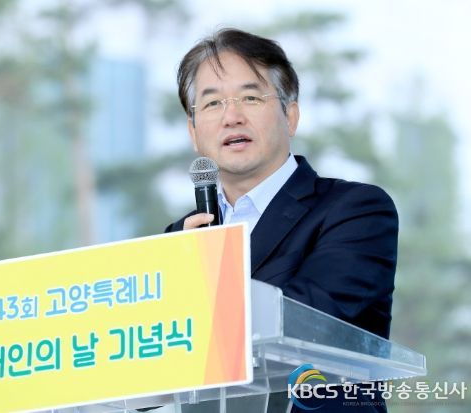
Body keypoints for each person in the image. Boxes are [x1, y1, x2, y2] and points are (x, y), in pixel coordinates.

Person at [164, 28, 398, 412]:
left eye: (251, 97)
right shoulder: (180, 238)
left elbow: (307, 320)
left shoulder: (356, 210)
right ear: (193, 131)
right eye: (212, 103)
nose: (231, 117)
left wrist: (201, 288)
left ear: (290, 116)